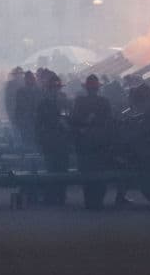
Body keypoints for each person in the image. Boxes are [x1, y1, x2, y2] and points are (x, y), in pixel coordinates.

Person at [72, 74, 126, 208]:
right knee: (100, 173)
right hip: (100, 143)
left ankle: (90, 202)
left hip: (85, 143)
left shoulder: (80, 101)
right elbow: (109, 122)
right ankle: (97, 202)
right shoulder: (104, 102)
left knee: (87, 174)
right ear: (97, 89)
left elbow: (74, 120)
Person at [34, 73, 70, 204]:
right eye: (54, 88)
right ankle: (54, 195)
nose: (56, 90)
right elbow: (39, 123)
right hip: (51, 139)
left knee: (60, 167)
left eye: (57, 88)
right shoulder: (45, 104)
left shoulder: (61, 101)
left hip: (58, 140)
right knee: (52, 168)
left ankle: (59, 195)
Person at [13, 71, 40, 150]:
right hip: (26, 119)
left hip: (33, 119)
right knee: (27, 139)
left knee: (32, 139)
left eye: (31, 79)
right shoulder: (21, 91)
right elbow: (19, 106)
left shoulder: (37, 90)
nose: (31, 80)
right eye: (29, 79)